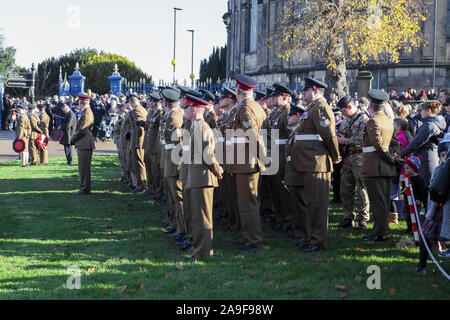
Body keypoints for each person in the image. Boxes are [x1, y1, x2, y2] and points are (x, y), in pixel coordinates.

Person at [292, 77, 340, 252]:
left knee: (318, 205)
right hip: (309, 162)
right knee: (312, 204)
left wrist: (335, 156)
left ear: (316, 91)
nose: (303, 94)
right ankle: (311, 237)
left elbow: (329, 135)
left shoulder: (320, 107)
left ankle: (318, 240)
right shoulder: (312, 108)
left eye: (306, 91)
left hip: (317, 162)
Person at [228, 74, 267, 251]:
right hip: (247, 159)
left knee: (248, 204)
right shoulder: (256, 106)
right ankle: (249, 238)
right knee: (248, 203)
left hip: (247, 160)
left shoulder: (245, 108)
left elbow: (252, 134)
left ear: (238, 91)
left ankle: (253, 241)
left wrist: (262, 156)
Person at [184, 94, 223, 258]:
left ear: (194, 110)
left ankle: (204, 251)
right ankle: (199, 248)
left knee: (203, 217)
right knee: (197, 217)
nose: (184, 110)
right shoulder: (196, 126)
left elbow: (207, 154)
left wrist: (217, 170)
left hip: (203, 176)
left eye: (187, 108)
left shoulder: (201, 127)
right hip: (197, 175)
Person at [360, 89, 396, 242]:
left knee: (377, 202)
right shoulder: (388, 120)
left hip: (375, 165)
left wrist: (390, 159)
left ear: (370, 104)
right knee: (382, 201)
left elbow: (378, 146)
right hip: (383, 166)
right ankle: (382, 230)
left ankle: (379, 232)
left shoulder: (373, 121)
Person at [400, 101, 446, 209]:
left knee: (424, 190)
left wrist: (401, 153)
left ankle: (426, 220)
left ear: (428, 111)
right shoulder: (435, 122)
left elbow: (417, 142)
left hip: (427, 159)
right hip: (429, 157)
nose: (421, 113)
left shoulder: (429, 125)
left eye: (422, 111)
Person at [336, 96, 370, 230]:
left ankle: (363, 218)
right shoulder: (345, 120)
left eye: (343, 111)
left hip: (359, 156)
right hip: (347, 158)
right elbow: (342, 134)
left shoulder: (364, 119)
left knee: (362, 189)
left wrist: (346, 141)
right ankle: (348, 217)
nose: (342, 114)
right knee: (346, 189)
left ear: (350, 107)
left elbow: (364, 139)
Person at [266, 84, 293, 233]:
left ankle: (288, 219)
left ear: (283, 97)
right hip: (275, 152)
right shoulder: (276, 113)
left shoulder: (287, 111)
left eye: (275, 96)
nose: (272, 98)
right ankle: (280, 216)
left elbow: (290, 134)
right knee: (276, 189)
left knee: (283, 189)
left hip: (282, 153)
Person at [285, 105, 309, 245]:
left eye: (291, 115)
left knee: (301, 203)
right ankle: (298, 230)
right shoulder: (294, 131)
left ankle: (304, 232)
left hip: (298, 170)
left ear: (298, 116)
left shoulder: (300, 131)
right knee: (296, 203)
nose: (288, 117)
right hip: (292, 170)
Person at [70, 92, 95, 195]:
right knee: (82, 168)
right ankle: (83, 187)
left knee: (84, 168)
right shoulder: (84, 112)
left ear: (82, 103)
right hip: (83, 142)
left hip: (85, 142)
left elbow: (82, 130)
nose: (78, 105)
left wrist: (72, 139)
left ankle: (85, 189)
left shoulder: (87, 112)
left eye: (79, 103)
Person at [129, 95, 148, 193]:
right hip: (138, 141)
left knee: (139, 164)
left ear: (130, 103)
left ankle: (142, 185)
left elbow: (140, 128)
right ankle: (140, 184)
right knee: (137, 164)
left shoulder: (137, 110)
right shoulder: (141, 109)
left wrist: (138, 143)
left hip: (138, 142)